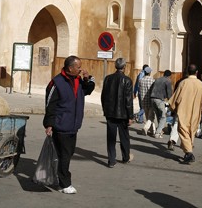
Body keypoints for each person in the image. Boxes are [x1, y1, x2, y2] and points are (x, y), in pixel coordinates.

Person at [44, 55, 95, 194]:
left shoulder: (78, 81)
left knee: (67, 154)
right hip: (61, 125)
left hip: (73, 126)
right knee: (65, 155)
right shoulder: (57, 82)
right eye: (78, 67)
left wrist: (87, 78)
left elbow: (89, 89)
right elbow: (50, 104)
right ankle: (65, 184)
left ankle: (59, 177)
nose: (80, 69)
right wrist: (49, 124)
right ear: (70, 68)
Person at [168, 64, 202, 163]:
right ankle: (188, 151)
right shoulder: (201, 84)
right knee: (191, 131)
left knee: (183, 131)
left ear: (187, 72)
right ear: (197, 72)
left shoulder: (183, 83)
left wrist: (172, 109)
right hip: (196, 113)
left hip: (183, 111)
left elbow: (176, 98)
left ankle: (189, 153)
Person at [100, 57, 134, 168]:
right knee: (124, 137)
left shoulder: (108, 79)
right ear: (124, 67)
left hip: (110, 113)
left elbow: (103, 96)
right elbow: (128, 100)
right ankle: (125, 157)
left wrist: (105, 110)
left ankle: (111, 160)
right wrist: (130, 116)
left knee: (111, 137)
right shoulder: (127, 80)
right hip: (123, 114)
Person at [150, 69, 173, 139]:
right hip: (159, 99)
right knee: (163, 117)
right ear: (169, 76)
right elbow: (169, 93)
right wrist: (171, 101)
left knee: (159, 115)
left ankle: (159, 131)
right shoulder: (168, 81)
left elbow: (151, 88)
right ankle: (157, 133)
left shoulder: (157, 79)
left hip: (152, 98)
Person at [138, 66, 156, 136]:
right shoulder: (152, 80)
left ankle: (153, 131)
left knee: (148, 116)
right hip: (150, 101)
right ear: (149, 72)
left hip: (143, 101)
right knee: (151, 117)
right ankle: (145, 128)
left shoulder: (141, 80)